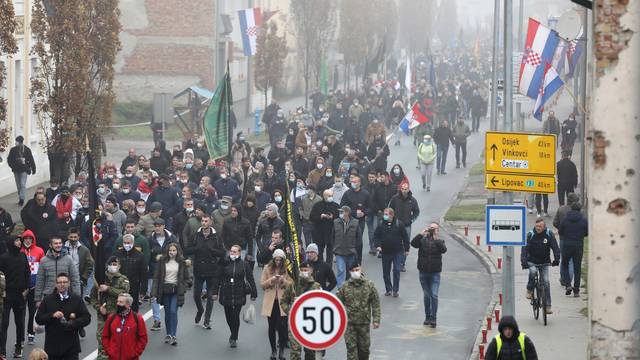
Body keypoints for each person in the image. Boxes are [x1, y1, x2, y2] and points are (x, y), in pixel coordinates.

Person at [35, 273, 91, 360]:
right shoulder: (48, 300)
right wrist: (52, 315)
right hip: (52, 347)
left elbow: (87, 318)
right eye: (59, 282)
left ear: (69, 283)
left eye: (65, 282)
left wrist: (73, 323)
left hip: (71, 347)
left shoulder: (76, 299)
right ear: (55, 284)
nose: (62, 284)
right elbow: (38, 319)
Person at [213, 245, 257, 348]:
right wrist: (215, 292)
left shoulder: (244, 265)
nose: (232, 253)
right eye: (231, 252)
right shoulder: (224, 263)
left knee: (235, 316)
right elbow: (217, 278)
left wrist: (254, 293)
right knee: (229, 317)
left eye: (235, 252)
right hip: (226, 293)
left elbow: (250, 279)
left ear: (239, 253)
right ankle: (233, 332)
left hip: (239, 294)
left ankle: (234, 337)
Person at [185, 214, 224, 330]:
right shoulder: (196, 235)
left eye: (206, 221)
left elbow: (222, 252)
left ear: (210, 222)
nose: (204, 223)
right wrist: (197, 248)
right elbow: (188, 249)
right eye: (202, 221)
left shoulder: (216, 236)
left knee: (211, 296)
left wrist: (212, 250)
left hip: (212, 270)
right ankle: (200, 310)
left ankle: (207, 320)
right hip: (199, 269)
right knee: (196, 295)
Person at [337, 263, 381, 360]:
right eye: (352, 271)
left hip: (364, 323)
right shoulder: (345, 286)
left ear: (360, 269)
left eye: (357, 269)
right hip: (349, 324)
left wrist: (376, 319)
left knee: (364, 350)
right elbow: (337, 303)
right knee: (351, 351)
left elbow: (375, 302)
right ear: (349, 272)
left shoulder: (369, 285)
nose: (355, 272)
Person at [150, 243, 191, 345]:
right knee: (168, 312)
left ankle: (173, 335)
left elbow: (187, 278)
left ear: (177, 251)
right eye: (170, 251)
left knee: (173, 311)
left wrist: (183, 287)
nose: (172, 252)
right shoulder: (162, 261)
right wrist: (153, 292)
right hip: (165, 290)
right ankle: (168, 334)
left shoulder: (182, 262)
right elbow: (156, 278)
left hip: (176, 290)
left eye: (174, 250)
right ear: (167, 252)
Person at [90, 257, 130, 360]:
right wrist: (99, 308)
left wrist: (108, 289)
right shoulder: (100, 279)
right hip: (103, 316)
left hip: (117, 315)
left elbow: (124, 293)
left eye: (115, 264)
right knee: (101, 339)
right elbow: (93, 298)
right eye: (111, 264)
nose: (113, 266)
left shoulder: (123, 279)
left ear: (119, 266)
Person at [281, 261, 321, 360]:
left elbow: (321, 304)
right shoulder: (293, 285)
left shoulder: (316, 287)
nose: (303, 272)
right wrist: (290, 311)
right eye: (302, 270)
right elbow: (283, 301)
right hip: (295, 323)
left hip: (310, 324)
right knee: (295, 352)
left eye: (306, 270)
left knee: (310, 353)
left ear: (311, 271)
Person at [411, 222, 447, 327]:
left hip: (435, 273)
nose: (432, 230)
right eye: (431, 228)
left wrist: (436, 239)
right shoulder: (422, 239)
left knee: (434, 295)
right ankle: (427, 316)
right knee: (427, 295)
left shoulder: (439, 241)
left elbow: (444, 250)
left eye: (434, 229)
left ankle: (433, 318)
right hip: (423, 272)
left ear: (437, 230)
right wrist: (420, 234)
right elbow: (413, 244)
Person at [0, 236, 31, 359]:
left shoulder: (23, 256)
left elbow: (27, 272)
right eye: (17, 241)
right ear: (10, 243)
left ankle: (19, 348)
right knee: (4, 324)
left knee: (20, 323)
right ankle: (2, 352)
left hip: (20, 295)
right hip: (6, 295)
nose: (19, 242)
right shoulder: (3, 258)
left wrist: (27, 289)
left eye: (20, 240)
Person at [521, 218, 560, 314]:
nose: (538, 228)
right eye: (536, 226)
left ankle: (547, 306)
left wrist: (556, 259)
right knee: (533, 271)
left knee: (546, 282)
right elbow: (524, 249)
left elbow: (555, 247)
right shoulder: (531, 234)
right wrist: (524, 261)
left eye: (540, 226)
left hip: (545, 262)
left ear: (544, 227)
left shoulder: (549, 234)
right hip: (532, 261)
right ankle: (530, 289)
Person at [260, 250, 292, 360]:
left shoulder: (287, 269)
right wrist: (272, 280)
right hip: (271, 302)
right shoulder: (267, 268)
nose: (278, 262)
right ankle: (273, 350)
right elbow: (262, 284)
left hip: (282, 302)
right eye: (276, 259)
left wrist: (283, 280)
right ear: (273, 259)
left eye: (280, 260)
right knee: (272, 327)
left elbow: (292, 285)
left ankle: (282, 350)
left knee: (282, 327)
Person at [35, 236, 82, 304]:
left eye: (60, 243)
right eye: (56, 243)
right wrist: (38, 299)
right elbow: (40, 280)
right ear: (50, 245)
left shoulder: (69, 259)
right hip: (49, 296)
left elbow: (75, 279)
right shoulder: (43, 261)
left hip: (66, 296)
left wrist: (77, 298)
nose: (58, 245)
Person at [374, 208, 409, 297]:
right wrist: (378, 246)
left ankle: (395, 290)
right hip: (385, 252)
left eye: (386, 214)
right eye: (384, 214)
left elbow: (405, 237)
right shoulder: (381, 223)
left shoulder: (399, 224)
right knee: (386, 272)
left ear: (392, 215)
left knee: (397, 270)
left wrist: (407, 249)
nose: (384, 215)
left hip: (397, 251)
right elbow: (376, 236)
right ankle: (388, 289)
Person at [101, 293, 148, 360]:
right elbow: (105, 336)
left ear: (128, 305)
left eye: (121, 302)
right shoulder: (111, 318)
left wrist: (135, 353)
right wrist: (109, 351)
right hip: (113, 358)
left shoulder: (137, 318)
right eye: (117, 301)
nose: (118, 304)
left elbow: (143, 338)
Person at [20, 230, 45, 345]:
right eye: (26, 239)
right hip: (21, 288)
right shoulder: (19, 251)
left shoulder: (39, 251)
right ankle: (20, 336)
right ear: (23, 240)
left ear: (33, 239)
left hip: (35, 287)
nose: (28, 240)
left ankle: (31, 333)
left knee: (32, 311)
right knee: (20, 313)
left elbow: (43, 268)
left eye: (30, 238)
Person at [558, 201, 588, 297]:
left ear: (571, 209)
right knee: (577, 267)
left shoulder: (565, 219)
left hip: (567, 245)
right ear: (580, 210)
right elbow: (586, 232)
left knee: (565, 264)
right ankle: (576, 290)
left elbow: (560, 231)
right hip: (578, 245)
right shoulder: (583, 220)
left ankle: (568, 285)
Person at [388, 183, 420, 272]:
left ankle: (402, 263)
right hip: (396, 225)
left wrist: (411, 220)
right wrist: (391, 219)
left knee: (405, 244)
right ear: (400, 189)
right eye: (402, 189)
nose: (404, 191)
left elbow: (417, 212)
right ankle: (395, 260)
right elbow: (389, 209)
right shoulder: (395, 199)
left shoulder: (413, 200)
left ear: (409, 189)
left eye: (406, 189)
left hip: (406, 226)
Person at [340, 175, 370, 264]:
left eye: (355, 182)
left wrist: (364, 213)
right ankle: (349, 259)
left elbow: (370, 208)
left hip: (360, 221)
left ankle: (358, 262)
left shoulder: (365, 194)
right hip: (349, 220)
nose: (353, 183)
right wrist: (351, 213)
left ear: (359, 183)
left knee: (358, 241)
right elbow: (342, 206)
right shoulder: (347, 193)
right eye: (352, 182)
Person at [114, 234, 147, 312]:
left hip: (134, 286)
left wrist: (143, 290)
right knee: (119, 309)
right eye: (125, 243)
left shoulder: (140, 255)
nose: (126, 244)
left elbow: (144, 274)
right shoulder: (116, 254)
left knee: (133, 309)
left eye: (128, 243)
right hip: (119, 286)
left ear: (133, 243)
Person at [309, 190, 340, 262]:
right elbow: (311, 217)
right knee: (319, 252)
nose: (330, 197)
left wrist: (333, 217)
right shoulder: (317, 205)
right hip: (319, 233)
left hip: (331, 232)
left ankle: (329, 268)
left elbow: (339, 218)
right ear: (324, 196)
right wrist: (320, 216)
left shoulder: (336, 206)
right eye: (329, 196)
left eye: (332, 196)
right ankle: (320, 267)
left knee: (330, 253)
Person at [333, 206, 359, 288]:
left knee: (351, 271)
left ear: (347, 213)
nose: (340, 213)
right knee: (341, 270)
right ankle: (340, 290)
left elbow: (359, 239)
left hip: (351, 251)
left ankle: (351, 289)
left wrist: (357, 253)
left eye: (342, 212)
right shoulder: (335, 222)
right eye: (340, 212)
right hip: (339, 251)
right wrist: (334, 249)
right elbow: (332, 236)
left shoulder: (355, 222)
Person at [8, 136, 36, 206]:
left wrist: (33, 168)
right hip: (16, 170)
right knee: (18, 185)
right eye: (16, 141)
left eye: (17, 141)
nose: (16, 142)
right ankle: (20, 197)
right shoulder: (13, 150)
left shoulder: (26, 150)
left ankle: (22, 199)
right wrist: (12, 165)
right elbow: (9, 159)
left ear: (20, 142)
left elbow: (31, 159)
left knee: (22, 184)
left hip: (24, 169)